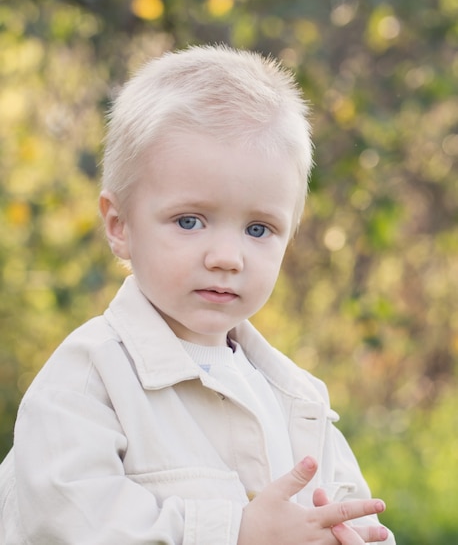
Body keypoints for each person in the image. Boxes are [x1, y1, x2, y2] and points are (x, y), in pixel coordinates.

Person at [0, 45, 395, 544]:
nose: (228, 257)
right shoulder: (87, 383)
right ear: (120, 225)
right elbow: (71, 528)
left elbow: (351, 518)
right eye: (190, 221)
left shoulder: (297, 401)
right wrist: (236, 534)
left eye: (259, 228)